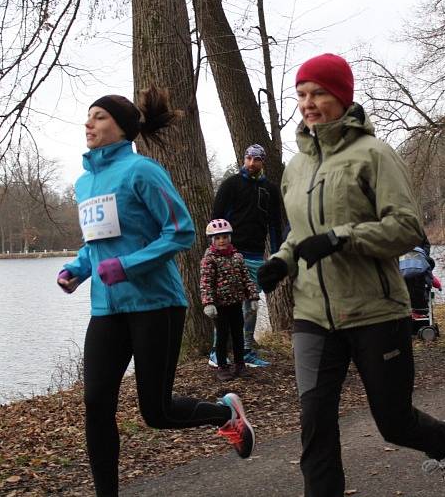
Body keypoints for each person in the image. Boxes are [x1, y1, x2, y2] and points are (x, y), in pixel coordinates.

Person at [257, 53, 445, 497]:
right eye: (301, 94)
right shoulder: (295, 168)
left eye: (318, 93)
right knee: (315, 424)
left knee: (393, 422)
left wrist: (342, 238)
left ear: (342, 97)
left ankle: (443, 442)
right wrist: (282, 259)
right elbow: (301, 234)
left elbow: (407, 228)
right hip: (313, 314)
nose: (308, 103)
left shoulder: (374, 154)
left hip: (374, 311)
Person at [56, 86, 255, 496]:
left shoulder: (141, 171)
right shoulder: (83, 183)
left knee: (157, 411)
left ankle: (225, 414)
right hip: (107, 308)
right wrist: (77, 269)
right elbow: (97, 244)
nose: (88, 124)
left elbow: (180, 231)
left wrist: (125, 266)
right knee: (96, 404)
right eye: (88, 117)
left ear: (123, 128)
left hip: (156, 304)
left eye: (99, 117)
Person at [209, 143, 283, 368]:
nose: (252, 163)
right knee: (225, 303)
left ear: (262, 162)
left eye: (257, 159)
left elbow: (275, 225)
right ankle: (216, 351)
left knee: (251, 305)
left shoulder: (270, 189)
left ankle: (247, 350)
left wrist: (278, 255)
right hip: (230, 254)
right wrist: (217, 251)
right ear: (243, 159)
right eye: (248, 158)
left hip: (255, 255)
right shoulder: (231, 185)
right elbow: (216, 220)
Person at [200, 218, 260, 380]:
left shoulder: (237, 257)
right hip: (220, 306)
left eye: (225, 237)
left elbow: (246, 279)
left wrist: (253, 297)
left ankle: (240, 364)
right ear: (213, 240)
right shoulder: (209, 260)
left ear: (230, 238)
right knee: (222, 335)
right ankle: (222, 366)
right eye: (218, 238)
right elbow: (206, 283)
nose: (222, 241)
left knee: (238, 334)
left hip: (236, 303)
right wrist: (209, 303)